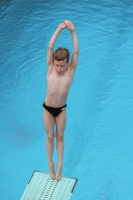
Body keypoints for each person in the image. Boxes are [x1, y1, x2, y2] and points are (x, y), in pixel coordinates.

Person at [43, 20, 78, 181]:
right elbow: (50, 47)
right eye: (57, 65)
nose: (58, 68)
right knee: (50, 137)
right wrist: (59, 28)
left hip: (61, 109)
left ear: (67, 64)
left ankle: (60, 164)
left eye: (61, 66)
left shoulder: (70, 71)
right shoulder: (50, 68)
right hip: (48, 109)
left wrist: (72, 32)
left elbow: (76, 51)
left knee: (61, 136)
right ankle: (50, 163)